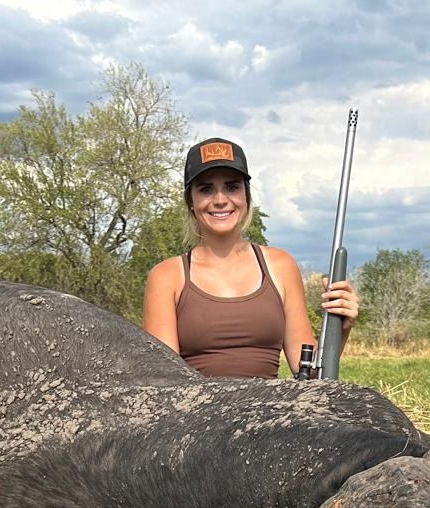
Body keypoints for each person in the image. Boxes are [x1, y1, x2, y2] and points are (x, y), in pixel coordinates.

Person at [143, 137, 359, 379]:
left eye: (232, 187)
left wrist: (340, 330)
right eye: (205, 189)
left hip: (271, 404)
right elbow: (165, 381)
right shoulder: (166, 276)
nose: (220, 200)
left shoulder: (281, 266)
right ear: (190, 201)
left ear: (246, 196)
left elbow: (310, 376)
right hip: (195, 404)